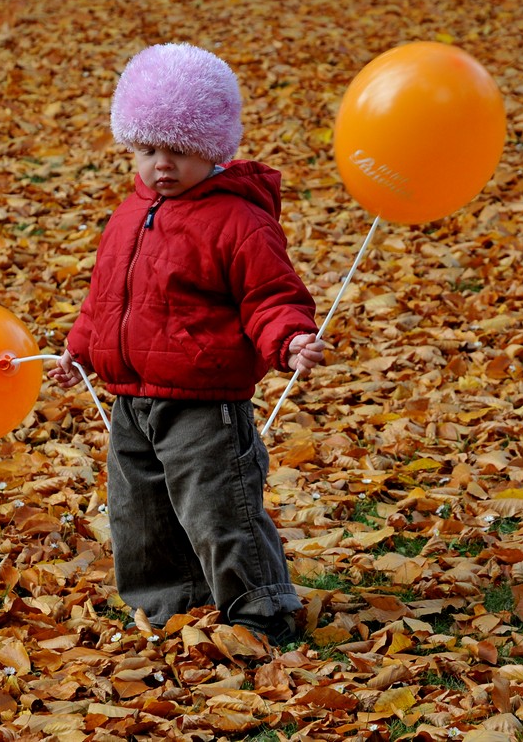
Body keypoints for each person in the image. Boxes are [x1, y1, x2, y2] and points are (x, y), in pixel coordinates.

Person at [47, 42, 327, 646]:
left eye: (179, 150)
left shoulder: (238, 221)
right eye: (147, 149)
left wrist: (290, 338)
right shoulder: (129, 214)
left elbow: (269, 295)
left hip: (204, 401)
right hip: (133, 399)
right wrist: (81, 350)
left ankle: (261, 610)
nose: (161, 165)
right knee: (138, 511)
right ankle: (168, 602)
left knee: (219, 507)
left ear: (213, 148)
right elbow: (108, 299)